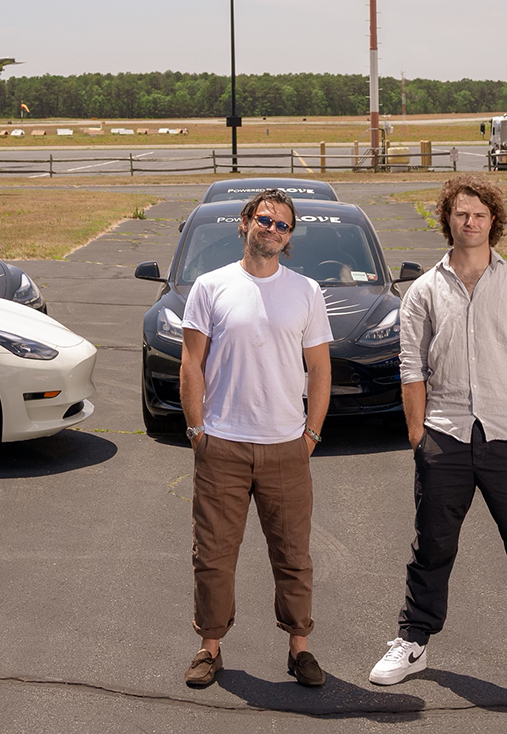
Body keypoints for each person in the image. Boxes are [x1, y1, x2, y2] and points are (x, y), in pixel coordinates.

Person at [369, 175, 507, 701]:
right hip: (444, 436)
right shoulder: (424, 290)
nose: (470, 222)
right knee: (432, 548)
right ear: (448, 220)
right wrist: (420, 435)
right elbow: (411, 367)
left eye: (479, 215)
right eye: (461, 214)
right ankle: (413, 642)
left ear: (493, 221)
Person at [180, 188, 334, 690]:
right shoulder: (210, 286)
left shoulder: (306, 292)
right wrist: (197, 428)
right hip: (221, 443)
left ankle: (300, 648)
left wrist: (311, 433)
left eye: (283, 226)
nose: (273, 230)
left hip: (286, 446)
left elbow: (320, 371)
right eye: (265, 220)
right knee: (214, 555)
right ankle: (210, 648)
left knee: (293, 555)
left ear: (290, 237)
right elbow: (191, 363)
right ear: (246, 222)